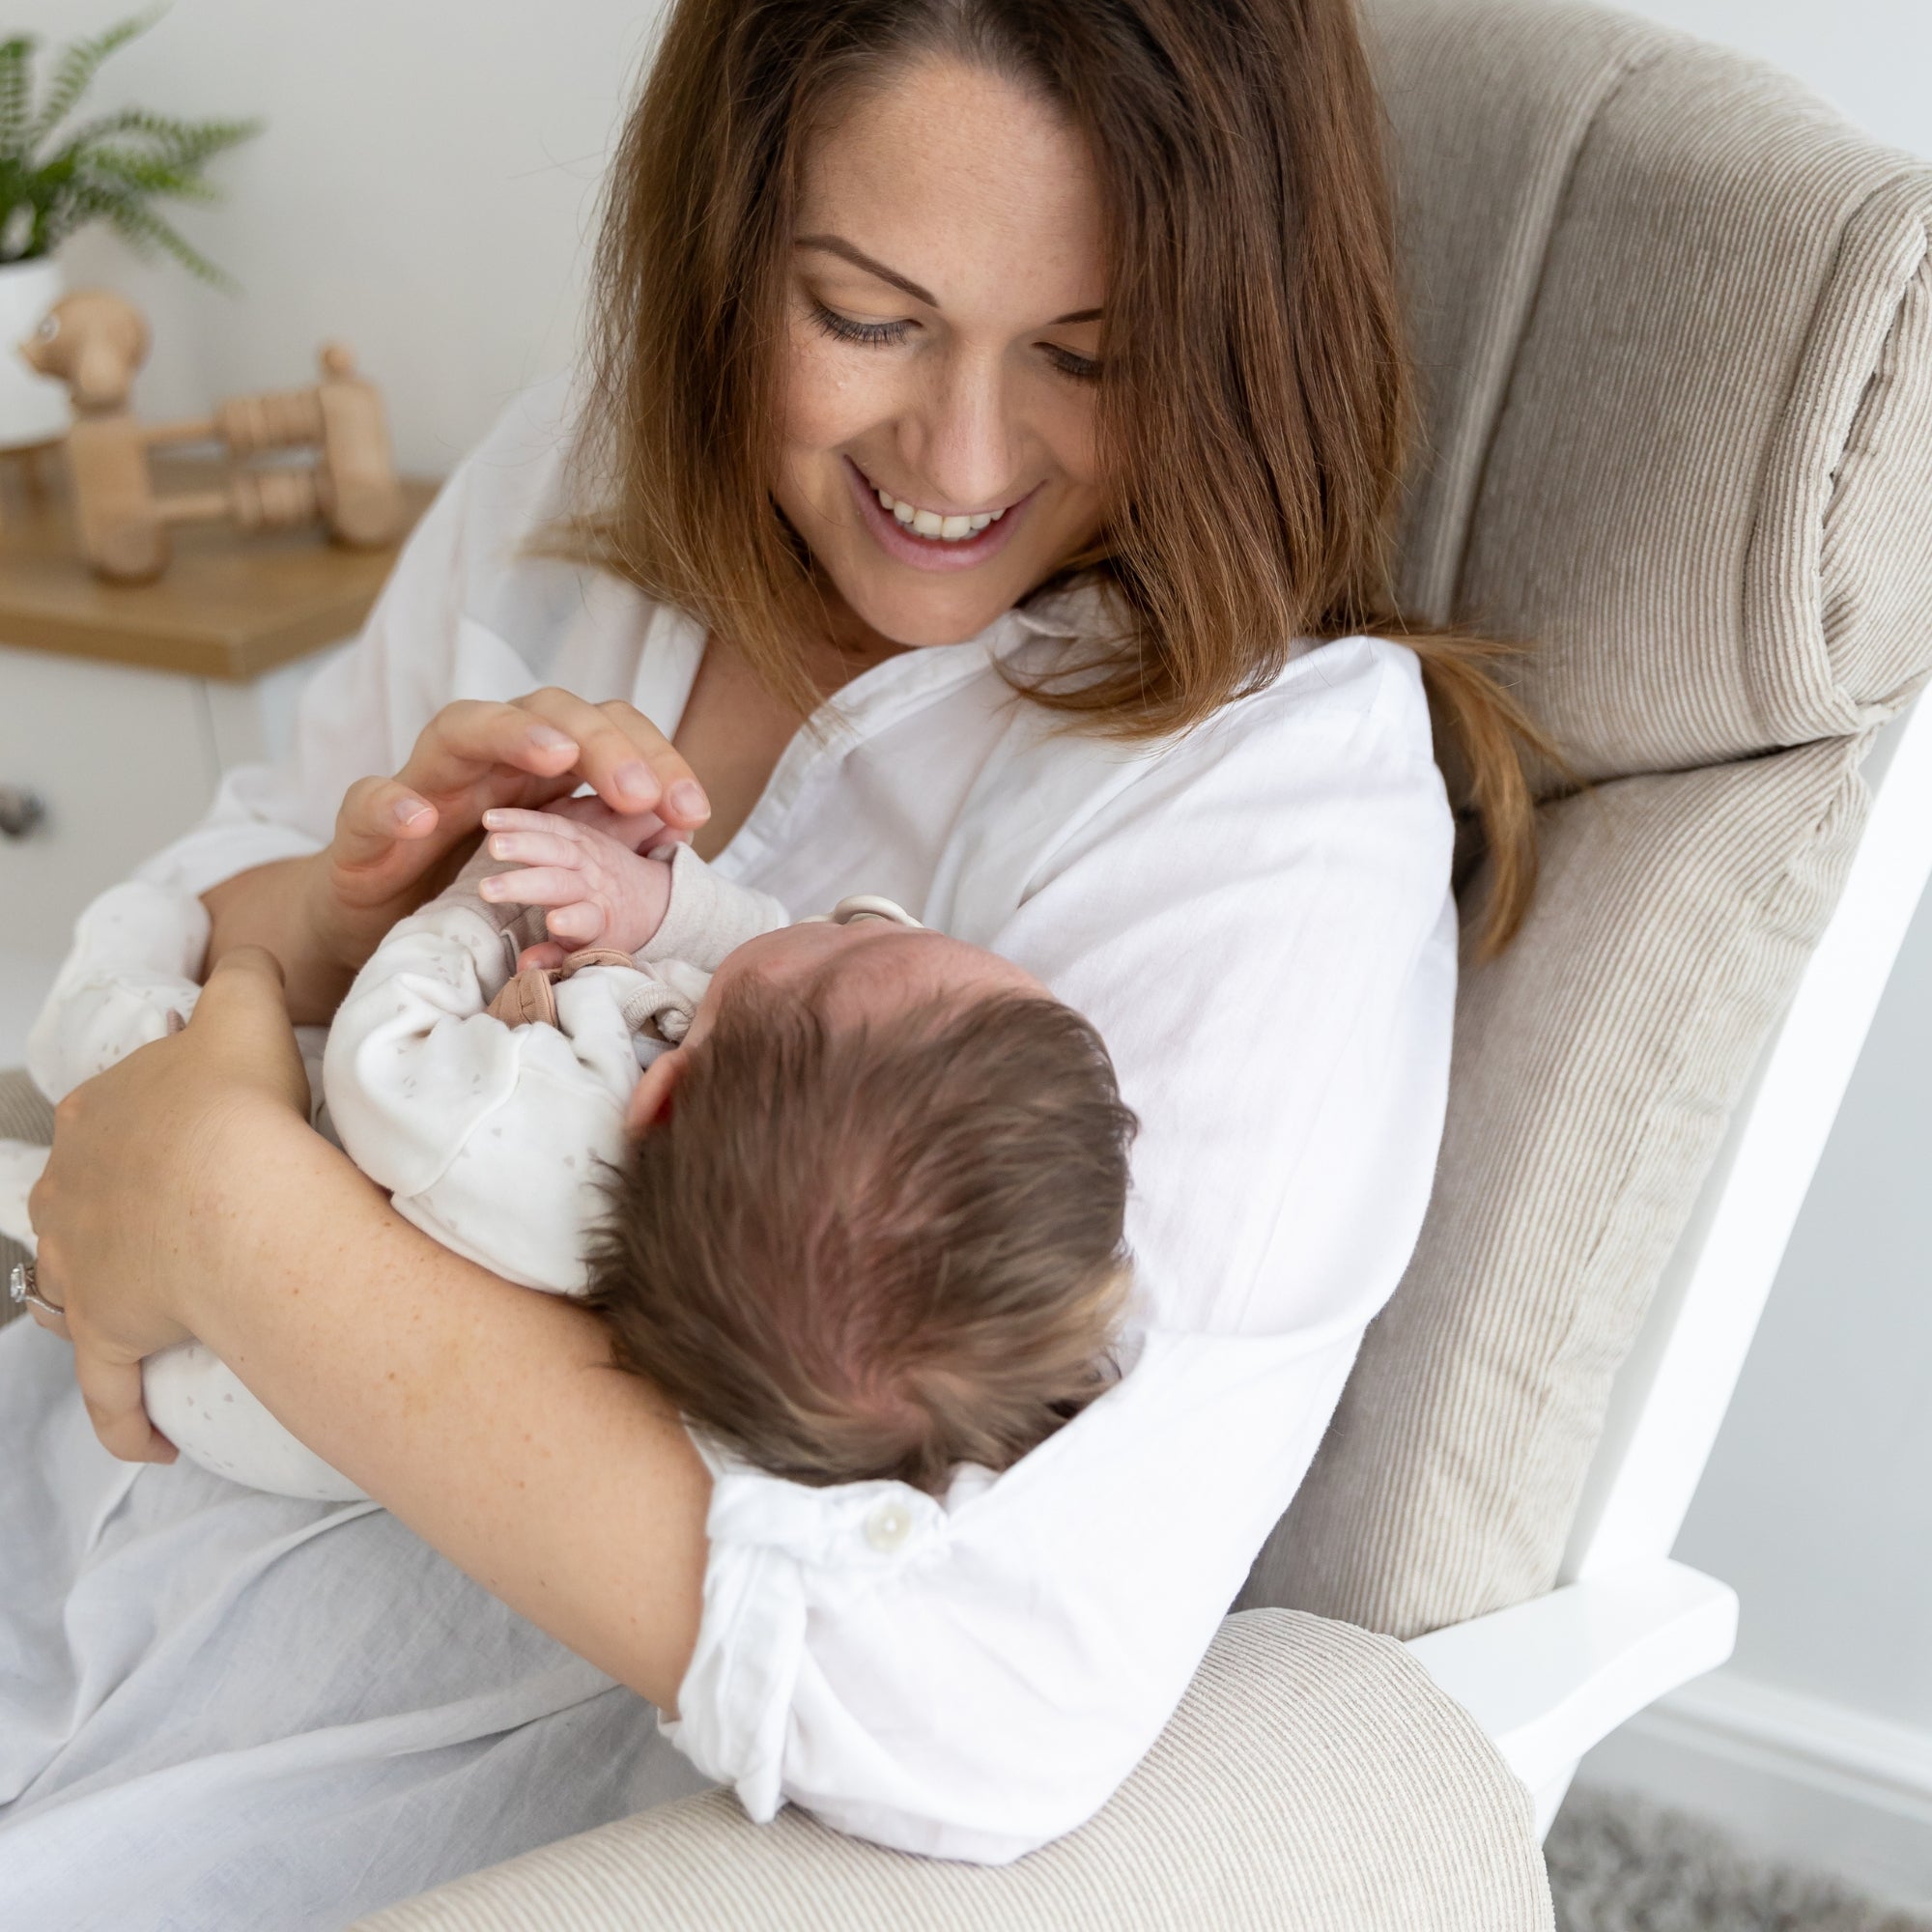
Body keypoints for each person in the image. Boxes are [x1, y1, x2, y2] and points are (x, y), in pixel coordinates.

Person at [5, 0, 1547, 1919]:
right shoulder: (587, 479)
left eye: (1090, 353)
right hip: (72, 1489)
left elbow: (993, 1694)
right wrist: (340, 905)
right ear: (731, 249)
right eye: (865, 317)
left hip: (337, 1768)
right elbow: (190, 934)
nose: (960, 457)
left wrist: (237, 1214)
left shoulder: (1266, 805)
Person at [14, 801, 1135, 1502]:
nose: (855, 918)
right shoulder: (755, 1176)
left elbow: (382, 1058)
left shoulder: (523, 1142)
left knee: (140, 1034)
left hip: (217, 1364)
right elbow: (751, 958)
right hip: (274, 1258)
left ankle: (105, 976)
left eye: (850, 933)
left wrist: (472, 908)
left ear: (664, 1093)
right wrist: (654, 903)